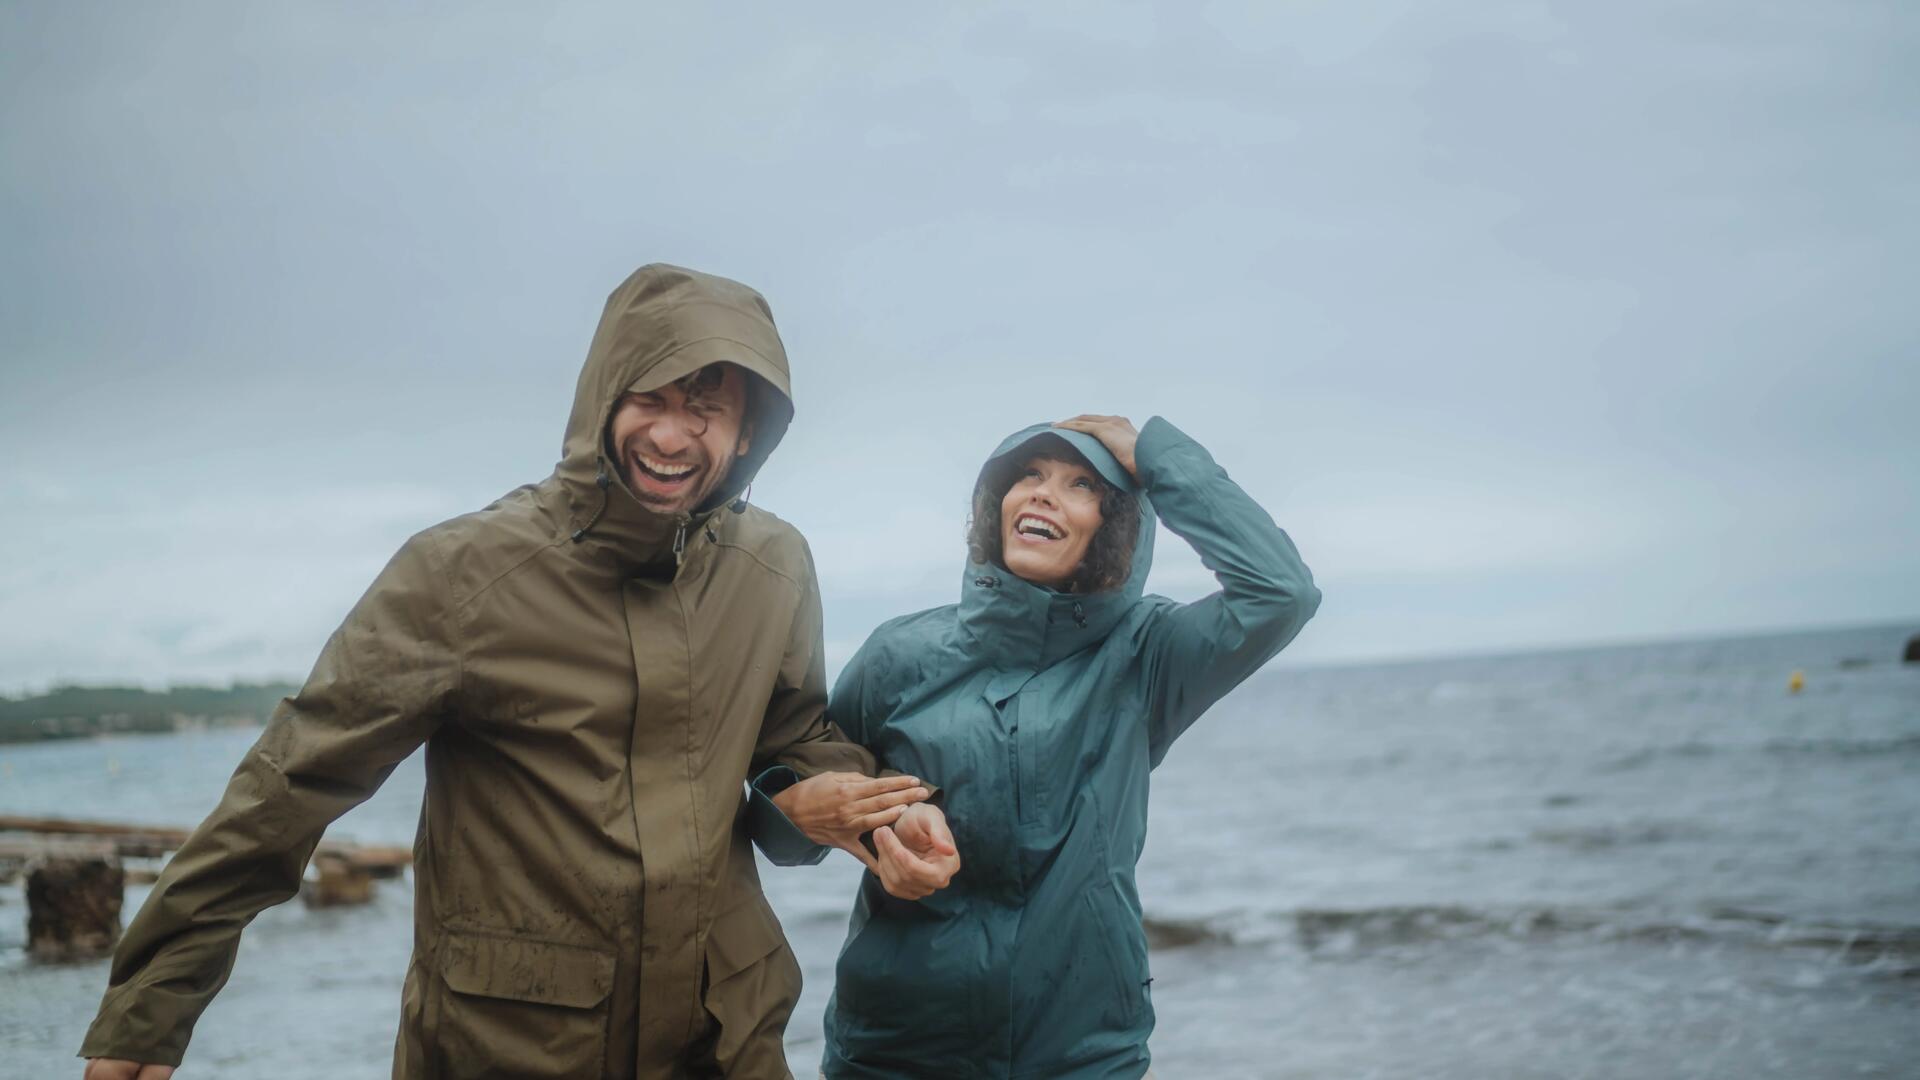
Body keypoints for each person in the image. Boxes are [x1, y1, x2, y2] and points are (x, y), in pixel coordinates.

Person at [79, 264, 944, 1080]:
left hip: (728, 1041)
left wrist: (866, 819)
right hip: (509, 1047)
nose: (674, 433)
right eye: (652, 396)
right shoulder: (461, 575)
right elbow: (287, 790)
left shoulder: (774, 567)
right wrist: (149, 1007)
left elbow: (789, 735)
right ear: (606, 393)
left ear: (749, 429)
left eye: (707, 408)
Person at [774, 414, 1321, 1079]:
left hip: (1086, 1054)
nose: (1041, 492)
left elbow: (1281, 592)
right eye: (1027, 475)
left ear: (1115, 524)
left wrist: (1156, 455)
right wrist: (809, 814)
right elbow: (797, 820)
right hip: (893, 1052)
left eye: (1081, 484)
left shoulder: (1146, 656)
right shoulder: (899, 654)